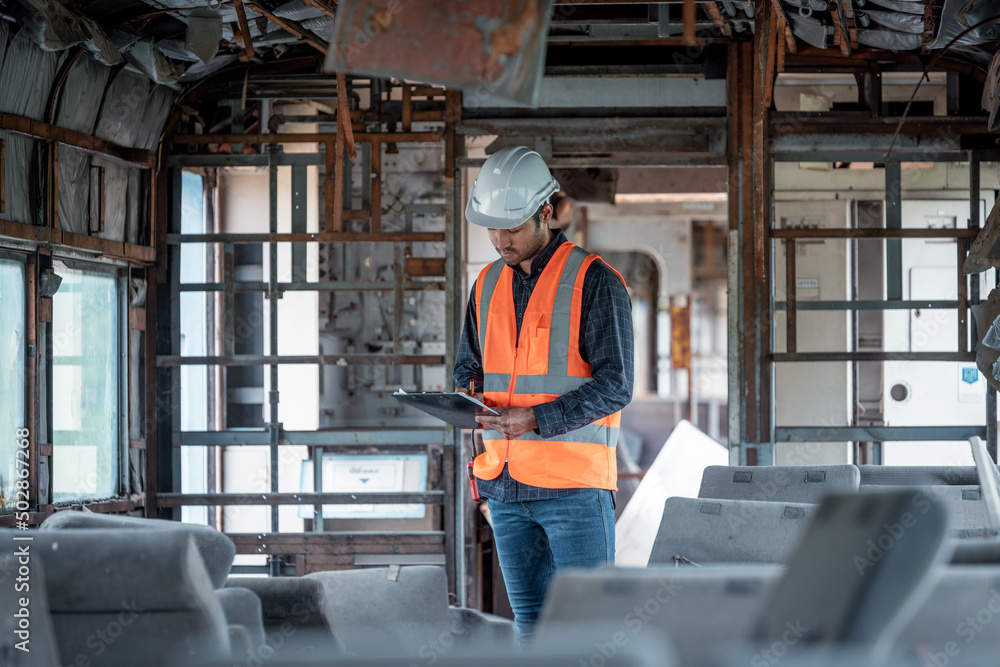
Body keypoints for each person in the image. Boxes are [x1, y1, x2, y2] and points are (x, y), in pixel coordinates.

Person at [453, 145, 634, 644]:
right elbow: (468, 366)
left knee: (589, 632)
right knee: (530, 632)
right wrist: (464, 399)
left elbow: (616, 385)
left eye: (510, 228)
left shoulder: (595, 281)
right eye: (491, 228)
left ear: (546, 213)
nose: (499, 240)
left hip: (574, 490)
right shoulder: (486, 283)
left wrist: (533, 420)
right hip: (506, 486)